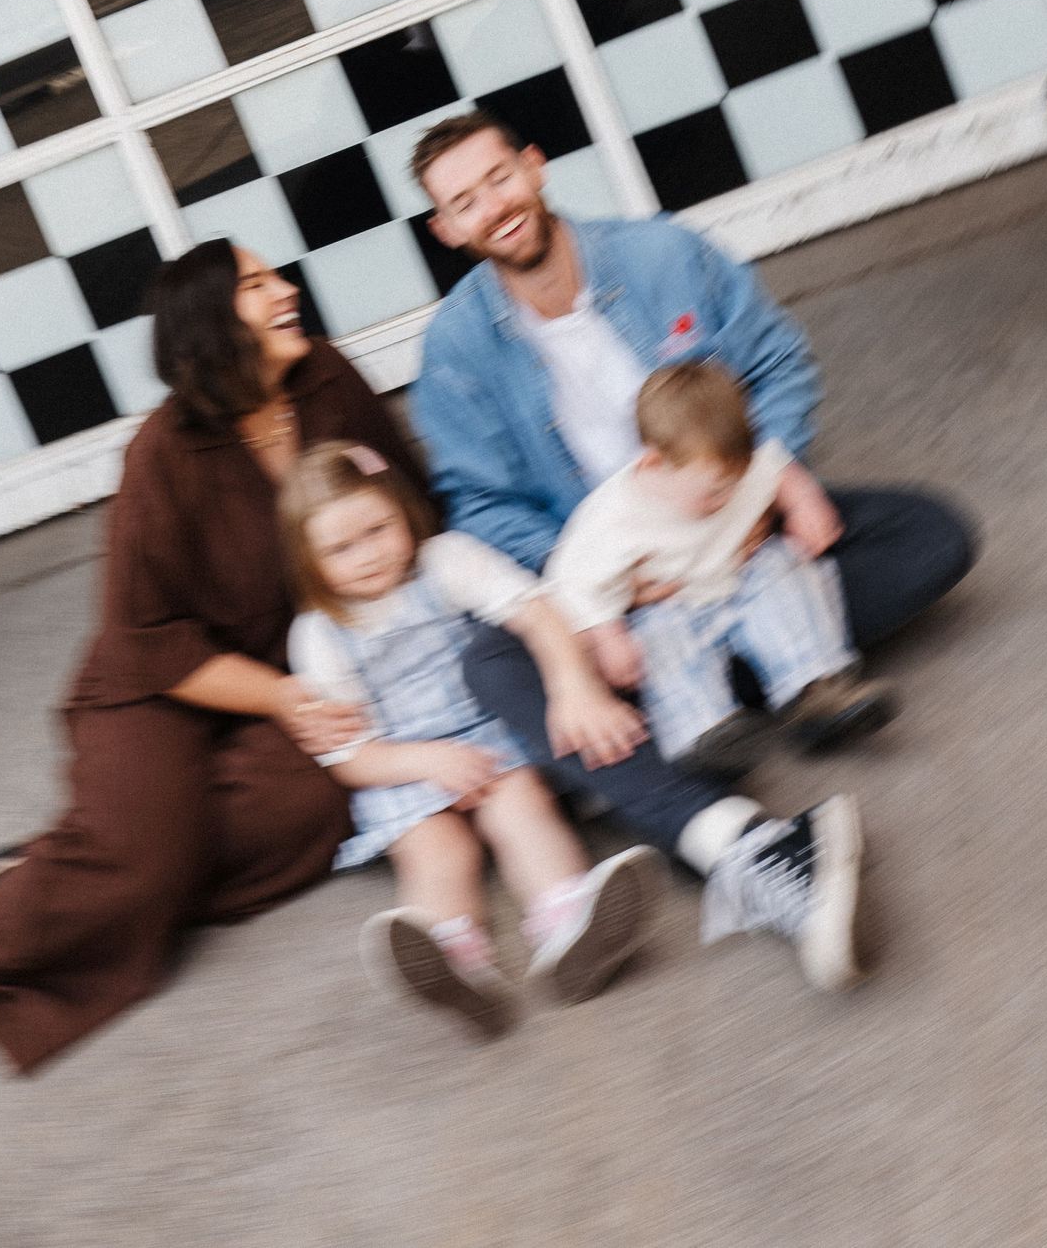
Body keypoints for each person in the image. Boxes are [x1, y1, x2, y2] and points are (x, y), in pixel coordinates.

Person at [0, 240, 423, 1083]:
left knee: (314, 809)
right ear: (209, 326)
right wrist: (285, 696)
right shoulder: (161, 452)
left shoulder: (329, 379)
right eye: (257, 284)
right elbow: (145, 638)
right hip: (160, 684)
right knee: (151, 852)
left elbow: (411, 501)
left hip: (306, 661)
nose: (287, 288)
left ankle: (56, 870)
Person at [406, 107, 976, 989]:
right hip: (615, 576)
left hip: (734, 529)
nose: (494, 206)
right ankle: (740, 831)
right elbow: (481, 504)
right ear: (446, 229)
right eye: (465, 202)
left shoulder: (662, 253)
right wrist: (604, 588)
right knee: (494, 664)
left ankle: (712, 687)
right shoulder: (456, 346)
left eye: (499, 178)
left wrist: (766, 494)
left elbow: (776, 365)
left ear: (536, 165)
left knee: (929, 534)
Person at [281, 439, 660, 1034]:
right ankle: (450, 958)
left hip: (488, 734)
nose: (368, 555)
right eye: (340, 549)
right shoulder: (318, 634)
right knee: (436, 849)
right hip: (402, 761)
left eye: (378, 529)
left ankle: (571, 924)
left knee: (524, 810)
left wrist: (571, 687)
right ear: (308, 561)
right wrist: (428, 762)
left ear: (404, 513)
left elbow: (536, 612)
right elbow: (350, 756)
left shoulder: (447, 560)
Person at [546, 361, 896, 774]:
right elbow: (576, 583)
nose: (729, 496)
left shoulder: (739, 462)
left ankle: (815, 690)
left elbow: (778, 468)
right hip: (671, 605)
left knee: (784, 566)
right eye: (714, 492)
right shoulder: (612, 518)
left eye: (736, 482)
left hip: (744, 575)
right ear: (654, 463)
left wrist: (805, 504)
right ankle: (706, 731)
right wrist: (609, 637)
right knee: (660, 643)